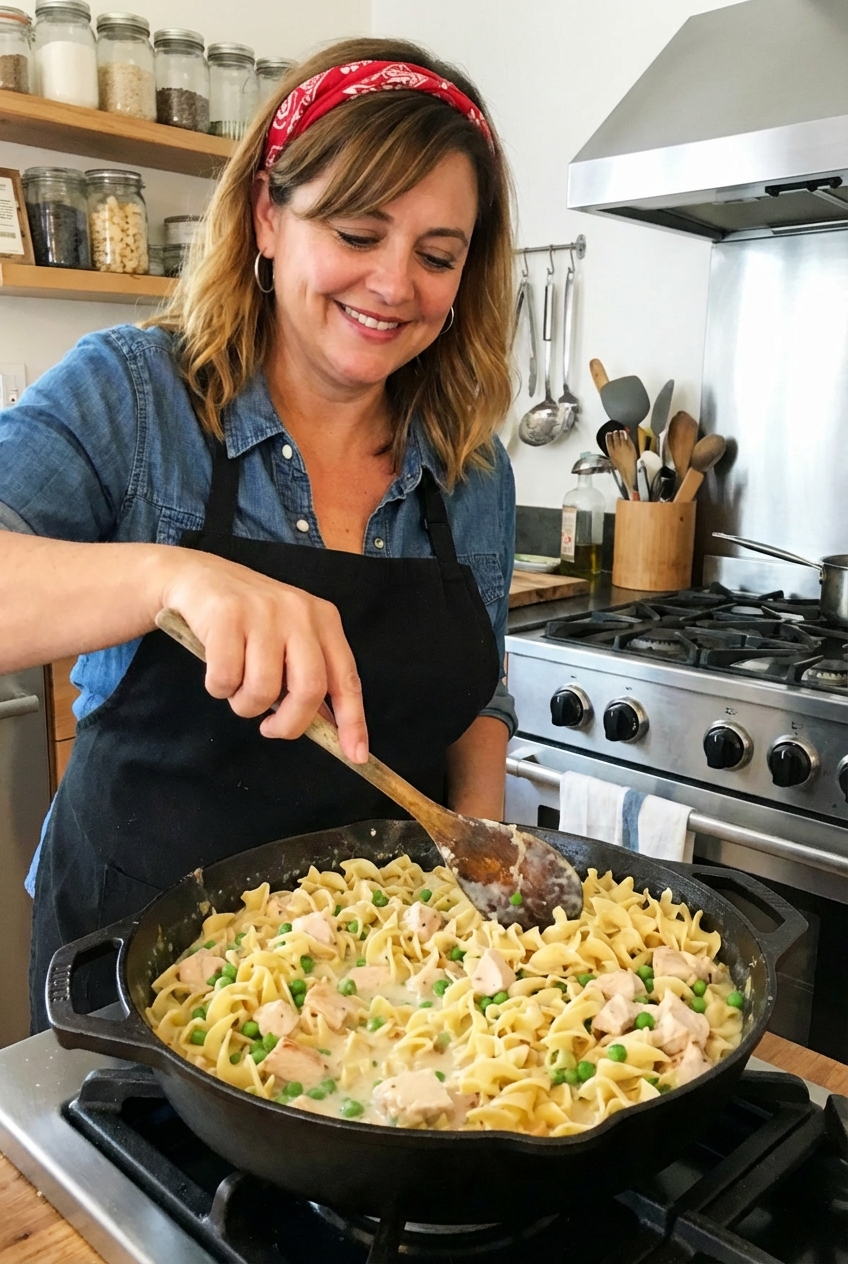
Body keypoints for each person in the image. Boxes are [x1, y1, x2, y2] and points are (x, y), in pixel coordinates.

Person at [0, 38, 517, 1031]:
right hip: (135, 950)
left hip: (383, 971)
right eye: (357, 232)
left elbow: (478, 683)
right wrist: (172, 577)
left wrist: (478, 845)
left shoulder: (470, 464)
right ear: (267, 219)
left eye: (437, 255)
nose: (394, 284)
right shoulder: (133, 395)